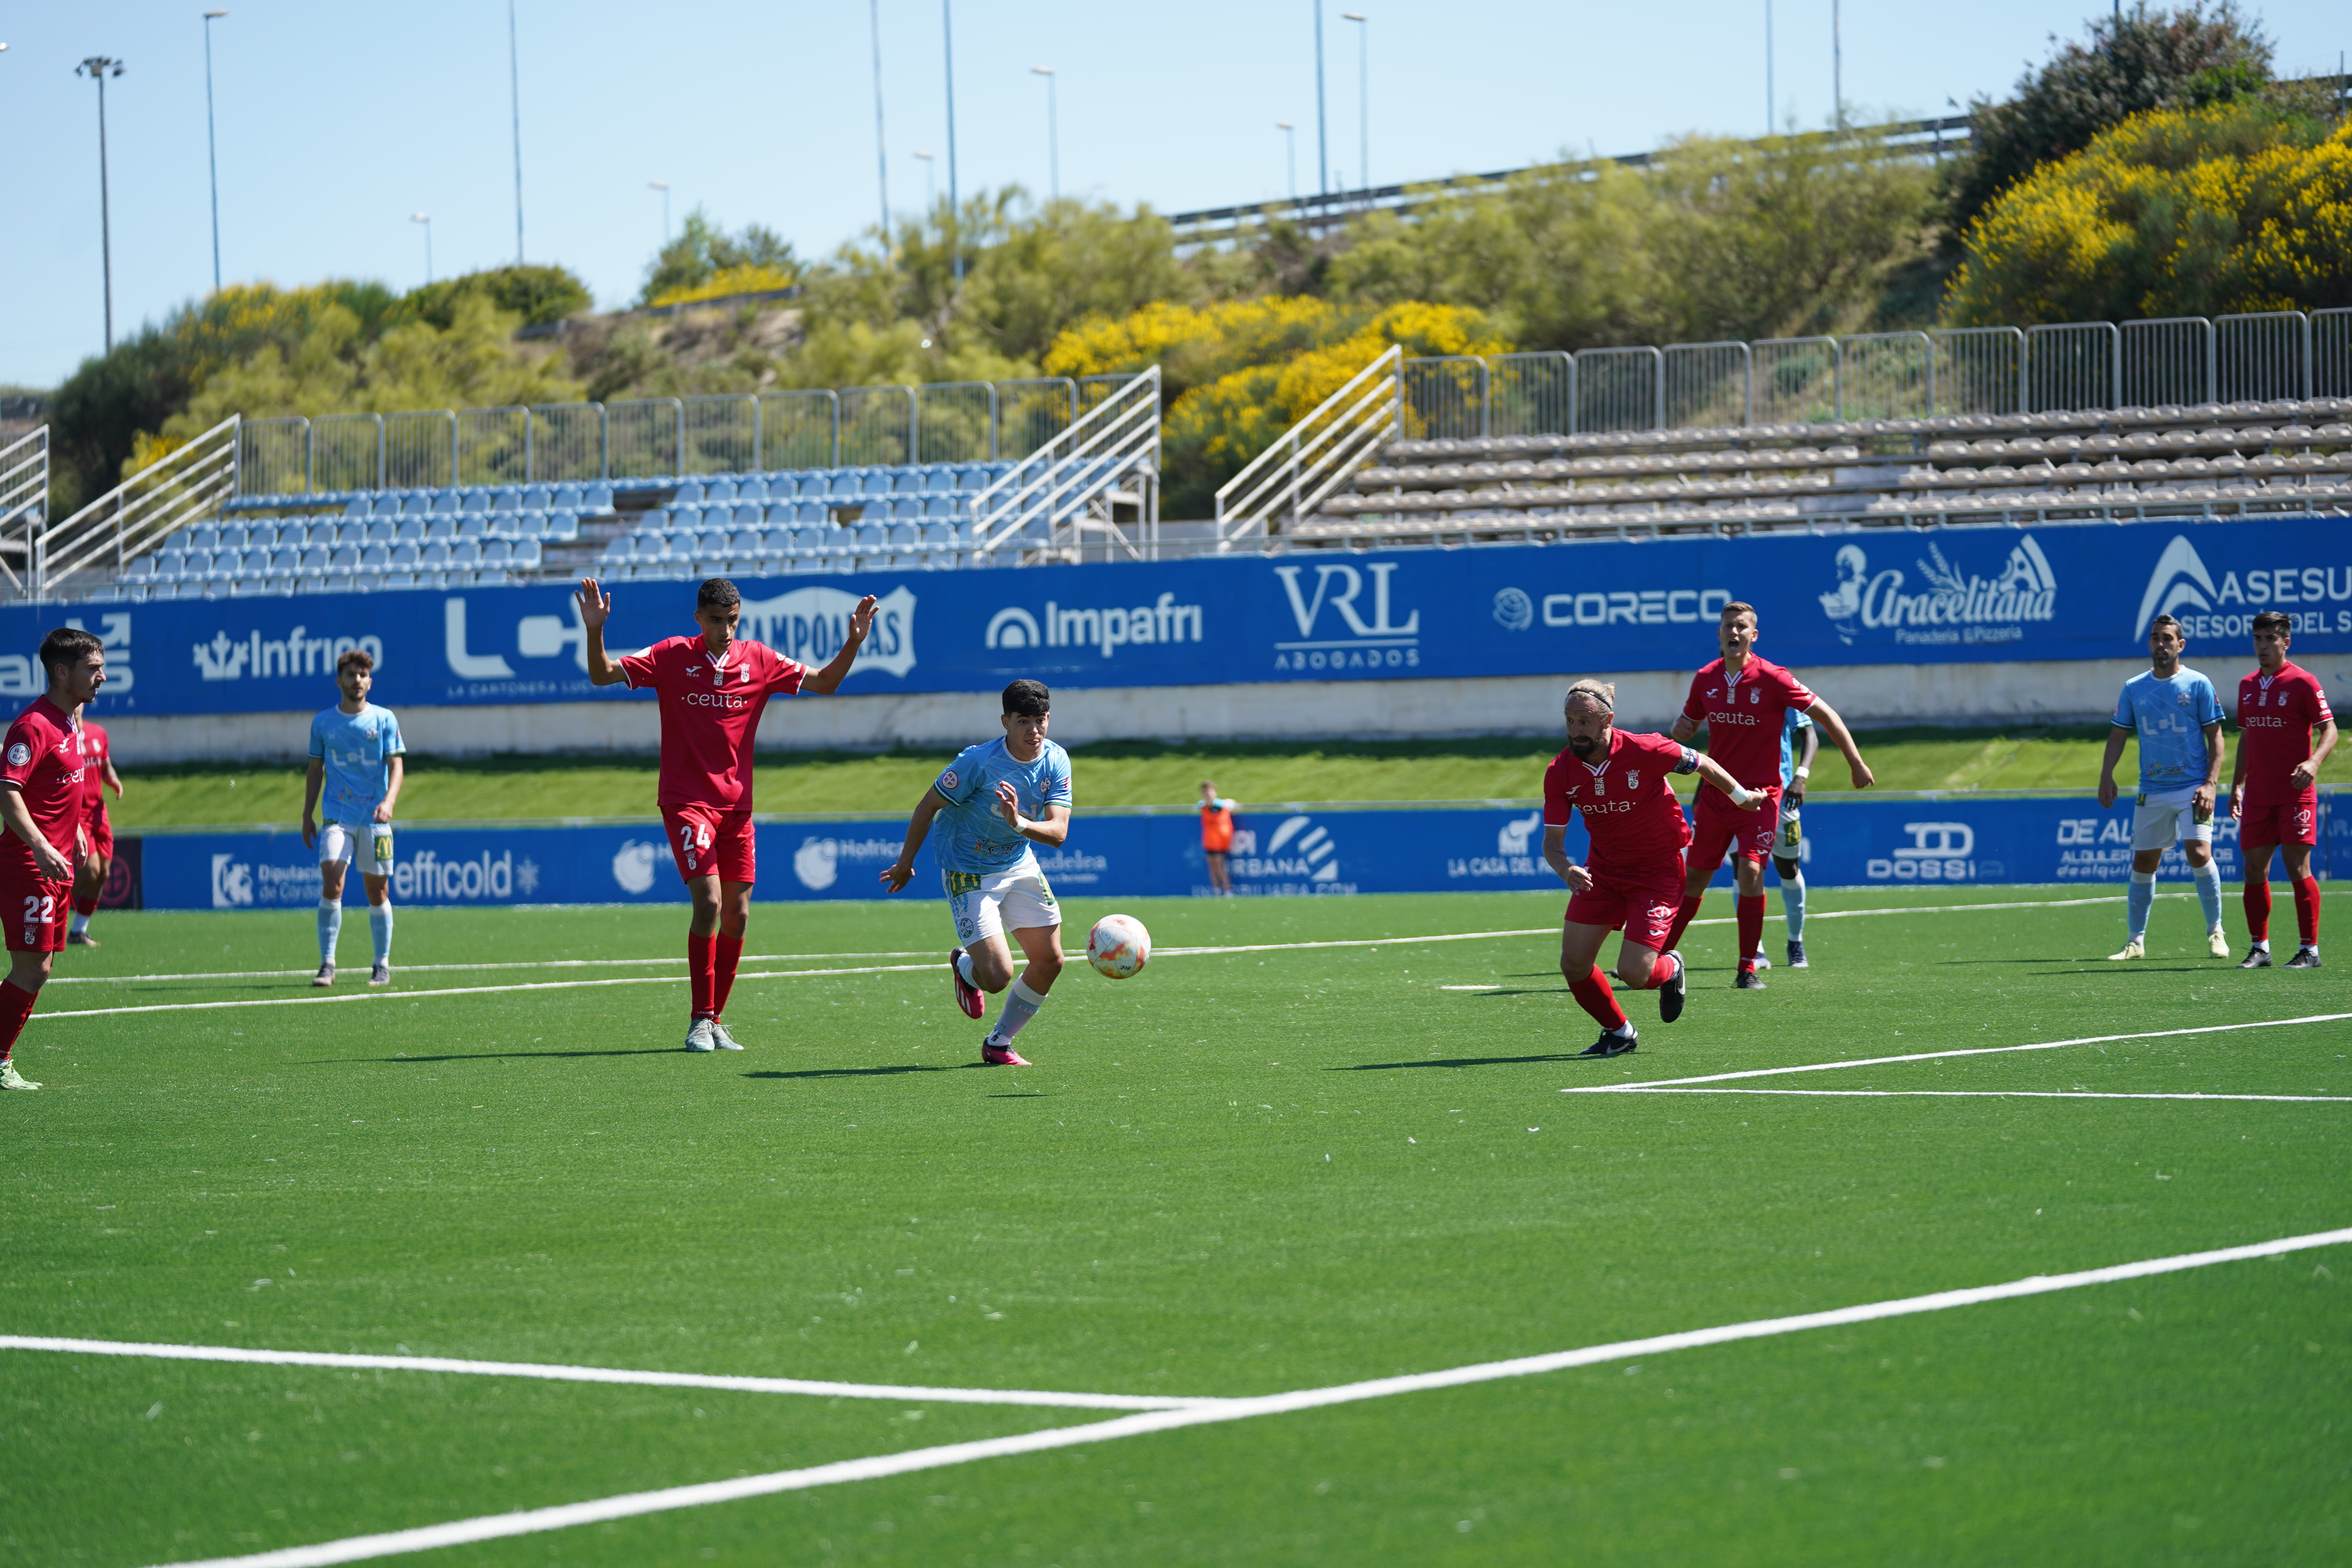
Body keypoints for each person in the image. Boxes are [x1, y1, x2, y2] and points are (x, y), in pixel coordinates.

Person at [580, 574, 878, 1052]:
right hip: (686, 801)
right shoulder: (672, 655)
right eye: (716, 621)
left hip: (737, 808)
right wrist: (595, 630)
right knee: (711, 904)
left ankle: (716, 1019)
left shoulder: (759, 659)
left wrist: (853, 642)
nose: (725, 630)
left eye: (732, 621)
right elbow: (602, 674)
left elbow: (826, 683)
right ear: (698, 618)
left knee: (738, 916)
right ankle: (699, 1020)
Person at [1544, 679, 1764, 1057]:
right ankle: (1619, 1032)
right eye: (1569, 721)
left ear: (1608, 720)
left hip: (1656, 873)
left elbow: (1704, 763)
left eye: (1584, 721)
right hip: (1603, 873)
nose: (1575, 730)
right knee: (1574, 964)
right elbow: (1553, 844)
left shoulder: (1645, 748)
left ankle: (1671, 967)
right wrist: (1566, 870)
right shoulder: (1561, 771)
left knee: (1635, 974)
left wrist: (1742, 798)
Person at [1664, 601, 1873, 988]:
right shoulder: (1705, 678)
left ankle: (1748, 967)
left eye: (1742, 627)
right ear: (1719, 634)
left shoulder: (1774, 678)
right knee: (1695, 879)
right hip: (1717, 793)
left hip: (1762, 796)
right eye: (1729, 626)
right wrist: (1679, 730)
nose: (1735, 632)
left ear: (1753, 635)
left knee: (1753, 870)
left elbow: (1826, 716)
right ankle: (1659, 956)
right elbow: (1686, 729)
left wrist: (1856, 763)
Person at [878, 681, 1072, 1067]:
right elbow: (927, 804)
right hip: (968, 870)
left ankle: (999, 1042)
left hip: (1018, 863)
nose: (1033, 731)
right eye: (1023, 722)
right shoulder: (978, 763)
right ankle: (966, 966)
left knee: (1051, 961)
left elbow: (1058, 833)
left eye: (1040, 720)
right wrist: (905, 861)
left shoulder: (1056, 760)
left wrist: (1017, 823)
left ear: (1048, 719)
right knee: (998, 976)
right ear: (1005, 721)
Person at [0, 628, 106, 1091]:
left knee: (37, 966)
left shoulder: (70, 720)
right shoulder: (35, 725)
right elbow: (8, 790)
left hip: (55, 863)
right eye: (93, 668)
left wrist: (79, 828)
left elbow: (61, 785)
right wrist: (42, 846)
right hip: (31, 864)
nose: (102, 676)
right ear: (62, 672)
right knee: (33, 968)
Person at [2097, 613, 2228, 962]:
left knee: (2199, 853)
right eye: (2156, 638)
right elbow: (2118, 734)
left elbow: (2217, 738)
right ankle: (2135, 942)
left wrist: (2211, 785)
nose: (2161, 644)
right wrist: (2106, 775)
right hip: (2152, 789)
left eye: (2168, 638)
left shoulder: (2198, 684)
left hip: (2193, 787)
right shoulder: (2134, 687)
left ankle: (2216, 931)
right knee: (2144, 863)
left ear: (2180, 645)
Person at [2229, 609, 2336, 969]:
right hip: (2258, 796)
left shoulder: (2304, 682)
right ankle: (2260, 948)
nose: (2263, 646)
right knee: (2253, 869)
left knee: (2297, 867)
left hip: (2295, 793)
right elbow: (2247, 738)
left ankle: (2311, 950)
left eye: (2270, 639)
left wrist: (2313, 763)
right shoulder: (2246, 686)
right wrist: (2237, 785)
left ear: (2285, 642)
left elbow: (2330, 730)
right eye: (2258, 639)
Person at [302, 650, 407, 988]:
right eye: (351, 675)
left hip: (376, 820)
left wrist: (389, 801)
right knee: (333, 879)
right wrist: (307, 814)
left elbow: (396, 766)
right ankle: (328, 963)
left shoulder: (384, 719)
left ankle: (381, 964)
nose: (357, 680)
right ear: (340, 681)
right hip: (337, 816)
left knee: (378, 892)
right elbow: (315, 770)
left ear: (370, 682)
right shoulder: (323, 723)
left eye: (363, 675)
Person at [65, 714, 123, 946]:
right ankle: (52, 915)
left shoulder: (98, 733)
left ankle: (78, 931)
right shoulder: (61, 736)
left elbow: (105, 766)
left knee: (104, 874)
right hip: (76, 815)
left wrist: (115, 782)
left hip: (99, 812)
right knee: (89, 871)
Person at [1200, 780, 1237, 895]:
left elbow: (1232, 804)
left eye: (1210, 791)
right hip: (1209, 841)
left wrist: (1222, 804)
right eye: (1205, 792)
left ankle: (1227, 890)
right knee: (1212, 865)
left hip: (1221, 841)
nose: (1208, 794)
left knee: (1220, 864)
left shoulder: (1223, 805)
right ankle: (1216, 889)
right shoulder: (1204, 806)